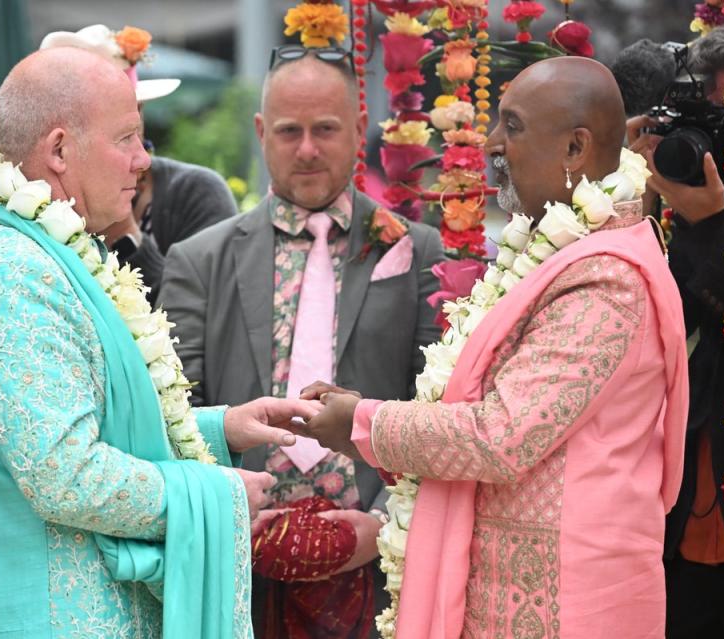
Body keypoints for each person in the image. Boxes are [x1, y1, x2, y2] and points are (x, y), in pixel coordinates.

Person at [291, 56, 688, 639]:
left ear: (575, 149)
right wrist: (360, 420)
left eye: (514, 126)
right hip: (511, 599)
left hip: (569, 605)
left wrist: (363, 423)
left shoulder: (608, 281)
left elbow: (499, 437)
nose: (493, 143)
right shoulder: (566, 255)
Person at [0, 46, 318, 638]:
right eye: (128, 138)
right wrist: (215, 493)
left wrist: (220, 428)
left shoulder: (55, 254)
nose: (144, 162)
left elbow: (95, 421)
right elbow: (67, 475)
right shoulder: (13, 274)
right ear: (60, 150)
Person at [159, 47, 444, 638]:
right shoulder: (198, 261)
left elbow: (439, 411)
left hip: (381, 567)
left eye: (326, 130)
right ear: (262, 132)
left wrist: (388, 524)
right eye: (290, 131)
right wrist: (230, 510)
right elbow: (172, 418)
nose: (308, 149)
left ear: (360, 130)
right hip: (241, 571)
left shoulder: (417, 251)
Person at [625, 25, 724, 639]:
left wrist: (714, 224)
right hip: (694, 454)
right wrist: (635, 185)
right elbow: (662, 312)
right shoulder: (696, 188)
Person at [40, 24, 238, 301]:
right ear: (59, 144)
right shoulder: (29, 200)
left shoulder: (195, 193)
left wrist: (126, 233)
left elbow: (208, 313)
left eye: (132, 115)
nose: (133, 144)